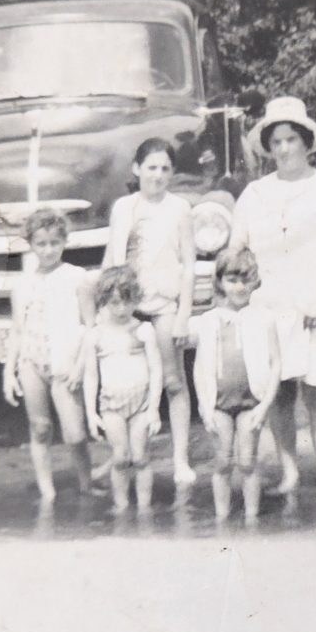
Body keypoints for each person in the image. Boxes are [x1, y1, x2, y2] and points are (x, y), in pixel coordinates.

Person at [229, 97, 316, 503]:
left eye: (291, 139)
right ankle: (289, 473)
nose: (284, 149)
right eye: (276, 141)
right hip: (269, 305)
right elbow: (236, 246)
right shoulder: (253, 194)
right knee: (279, 392)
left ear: (306, 142)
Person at [105, 138, 196, 488]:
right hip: (127, 306)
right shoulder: (123, 208)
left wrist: (184, 313)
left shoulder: (180, 208)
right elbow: (114, 260)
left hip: (164, 305)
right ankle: (124, 456)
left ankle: (180, 460)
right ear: (136, 169)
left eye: (165, 168)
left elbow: (189, 265)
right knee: (124, 382)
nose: (158, 175)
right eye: (151, 167)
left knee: (173, 381)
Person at [3, 206, 92, 502]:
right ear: (31, 245)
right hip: (31, 361)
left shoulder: (77, 277)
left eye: (55, 242)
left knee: (75, 434)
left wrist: (80, 365)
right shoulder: (23, 283)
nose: (48, 250)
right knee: (40, 428)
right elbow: (17, 329)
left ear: (65, 242)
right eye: (41, 243)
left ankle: (86, 484)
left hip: (65, 363)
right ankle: (47, 490)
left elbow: (91, 327)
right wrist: (9, 371)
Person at [189, 247, 281, 524]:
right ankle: (221, 517)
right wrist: (204, 406)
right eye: (232, 280)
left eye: (245, 279)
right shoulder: (207, 321)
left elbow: (276, 362)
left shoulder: (264, 318)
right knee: (222, 460)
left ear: (255, 281)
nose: (239, 287)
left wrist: (265, 405)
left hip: (251, 401)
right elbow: (199, 367)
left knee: (248, 461)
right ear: (219, 282)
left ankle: (251, 517)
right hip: (218, 402)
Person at [82, 266, 163, 512]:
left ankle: (145, 506)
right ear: (104, 301)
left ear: (136, 299)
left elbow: (156, 370)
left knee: (140, 457)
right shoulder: (95, 336)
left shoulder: (144, 330)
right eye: (114, 303)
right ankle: (121, 505)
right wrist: (91, 413)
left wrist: (154, 409)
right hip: (111, 405)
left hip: (140, 404)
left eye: (127, 302)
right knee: (120, 457)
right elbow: (90, 376)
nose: (121, 309)